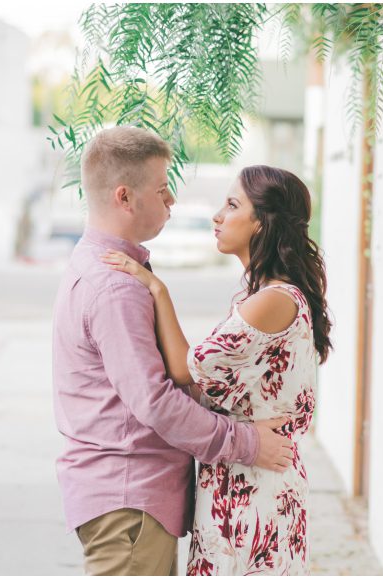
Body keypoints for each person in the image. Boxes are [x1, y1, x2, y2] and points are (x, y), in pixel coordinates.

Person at [52, 126, 295, 575]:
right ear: (124, 198)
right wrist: (246, 442)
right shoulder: (114, 287)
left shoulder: (104, 266)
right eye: (163, 190)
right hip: (129, 501)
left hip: (128, 497)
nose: (172, 201)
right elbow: (155, 401)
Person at [103, 164, 331, 575]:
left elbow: (184, 369)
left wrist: (157, 289)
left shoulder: (272, 300)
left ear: (262, 222)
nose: (217, 216)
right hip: (242, 477)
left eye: (232, 205)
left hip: (255, 487)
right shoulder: (259, 295)